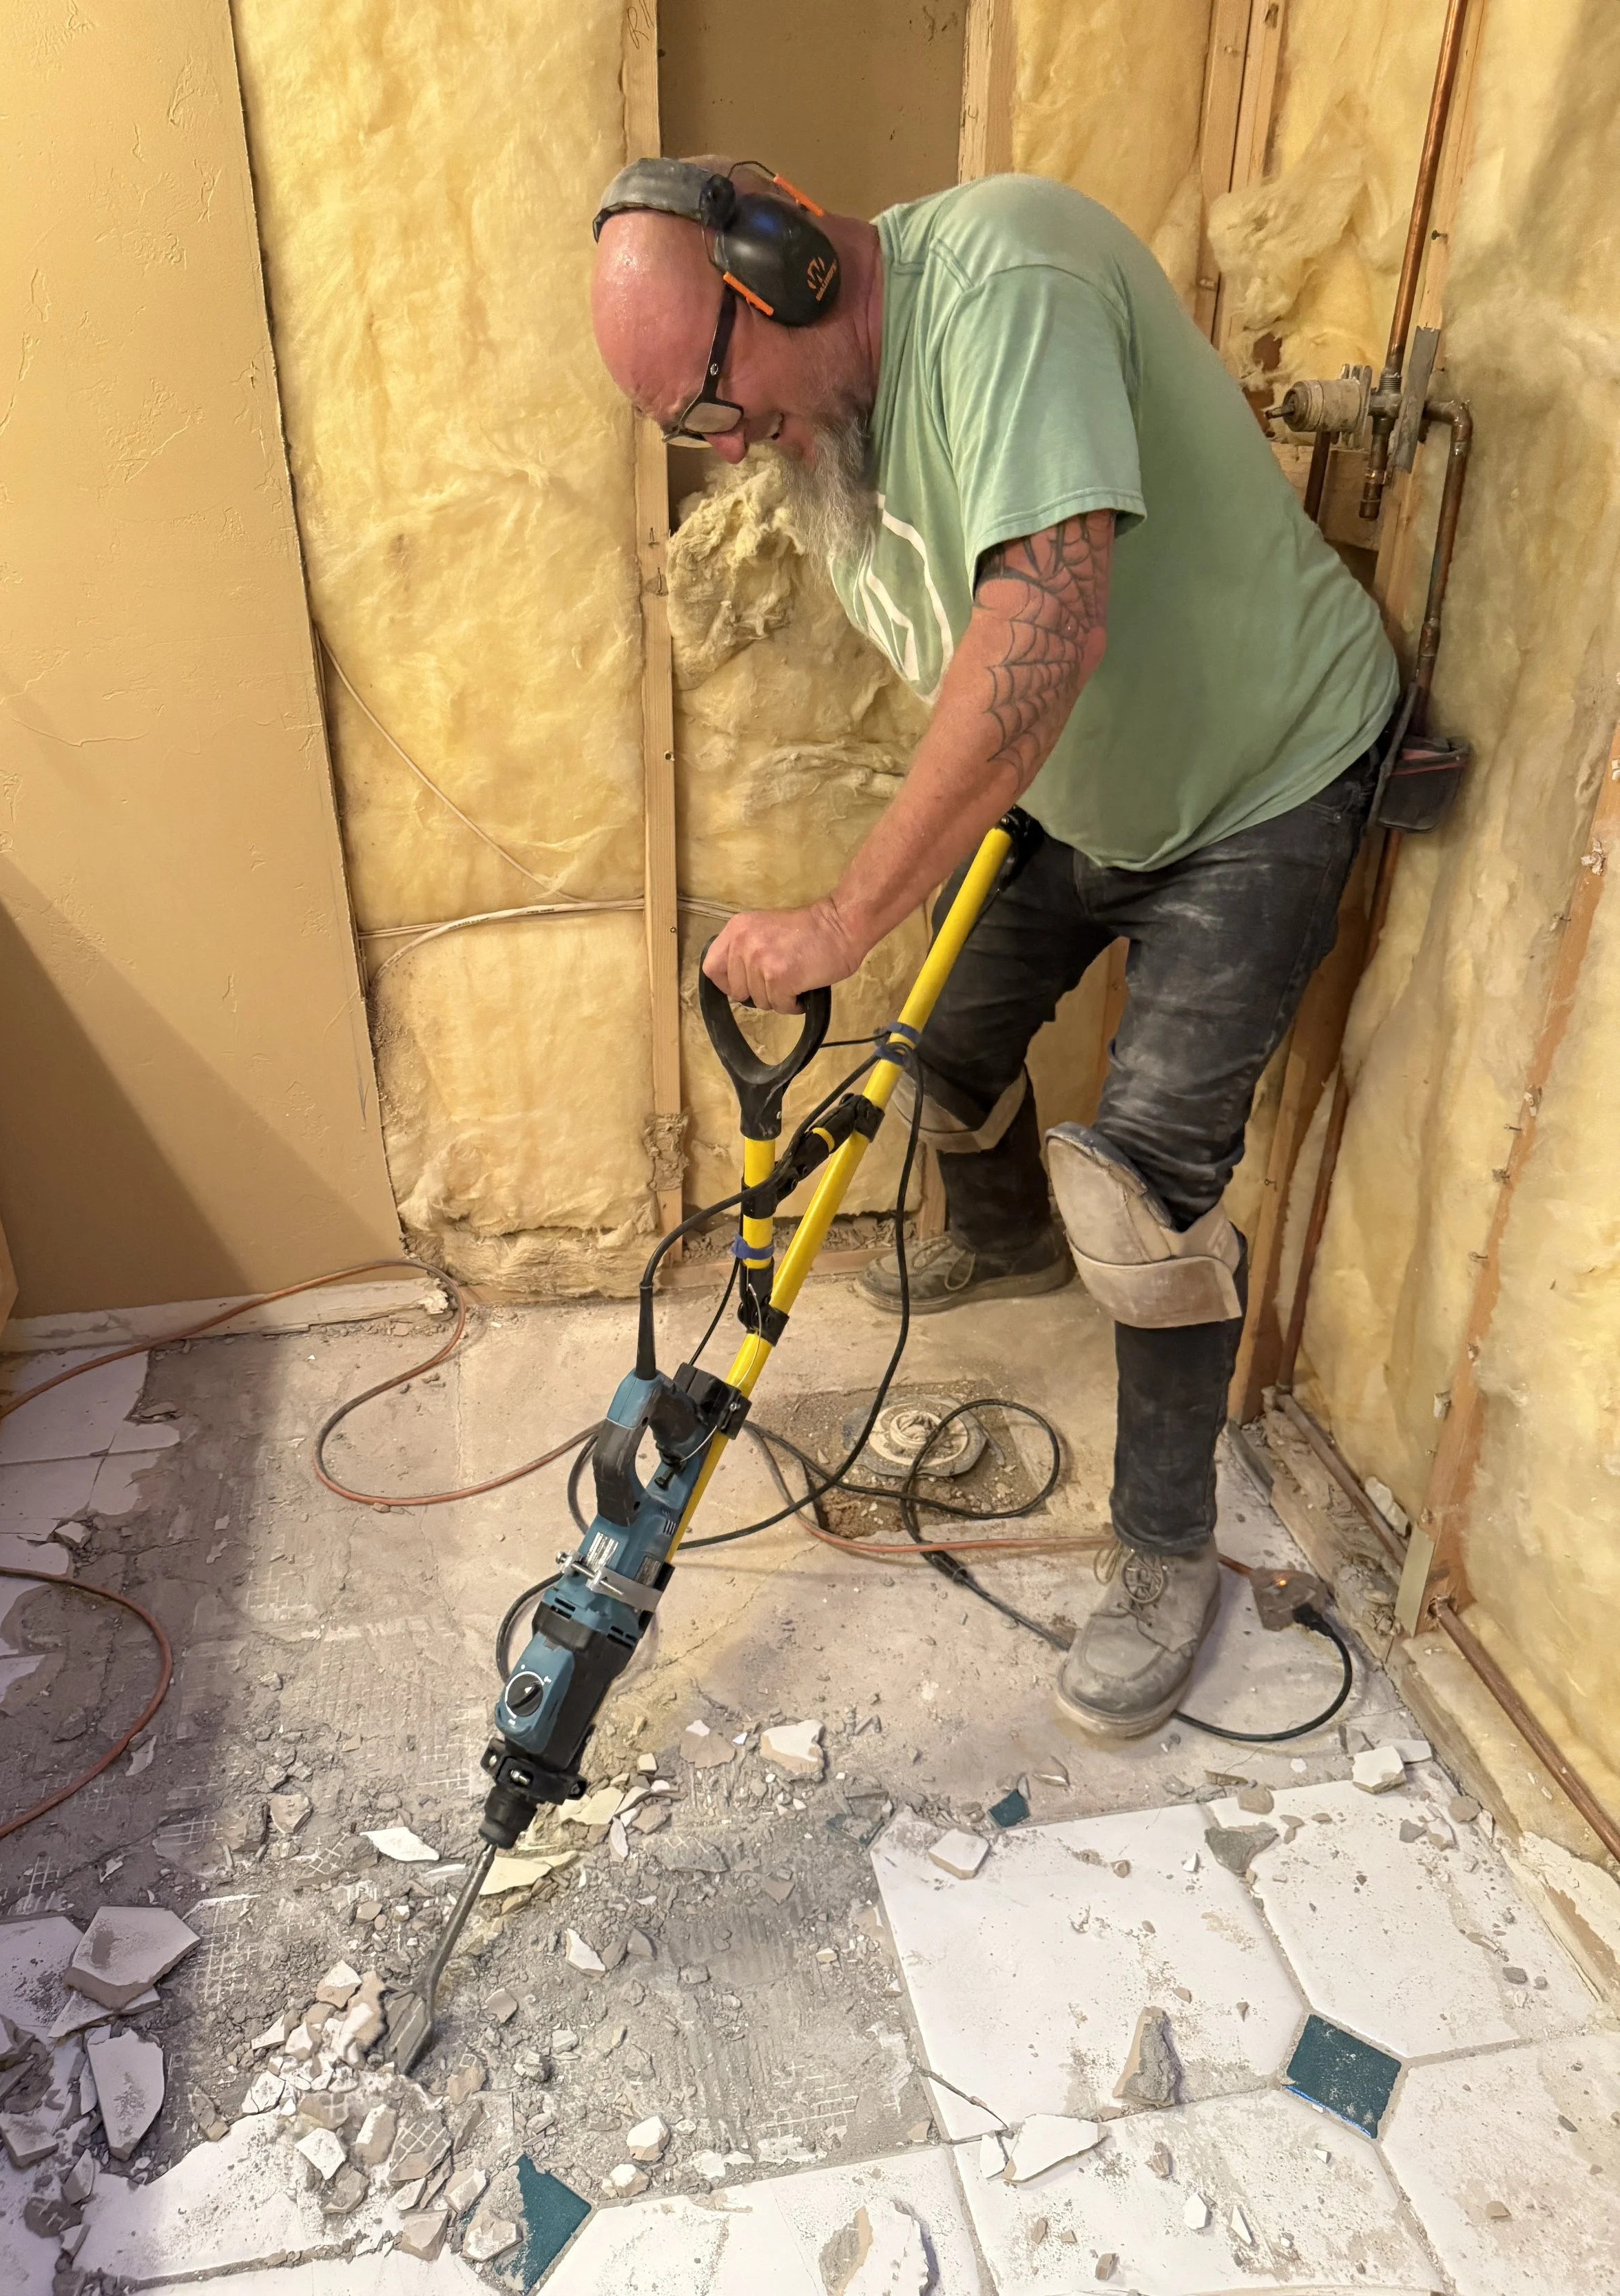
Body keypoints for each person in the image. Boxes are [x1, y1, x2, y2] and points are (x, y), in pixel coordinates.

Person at [589, 161, 1397, 1741]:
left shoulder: (1009, 285)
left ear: (784, 265)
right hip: (1083, 793)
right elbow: (964, 664)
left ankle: (1163, 1552)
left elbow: (1040, 629)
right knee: (938, 1039)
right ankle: (1003, 1235)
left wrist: (841, 913)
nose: (727, 446)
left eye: (715, 403)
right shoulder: (827, 435)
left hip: (1262, 780)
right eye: (694, 430)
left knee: (1143, 1182)